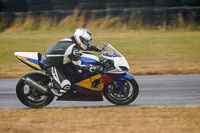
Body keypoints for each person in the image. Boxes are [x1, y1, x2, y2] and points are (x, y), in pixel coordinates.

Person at [43, 28, 103, 95]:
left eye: (88, 41)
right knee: (66, 85)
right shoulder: (73, 50)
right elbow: (79, 67)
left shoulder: (73, 40)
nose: (87, 43)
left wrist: (99, 49)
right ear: (80, 39)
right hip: (52, 65)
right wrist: (94, 68)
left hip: (61, 61)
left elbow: (86, 46)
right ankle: (51, 85)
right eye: (86, 41)